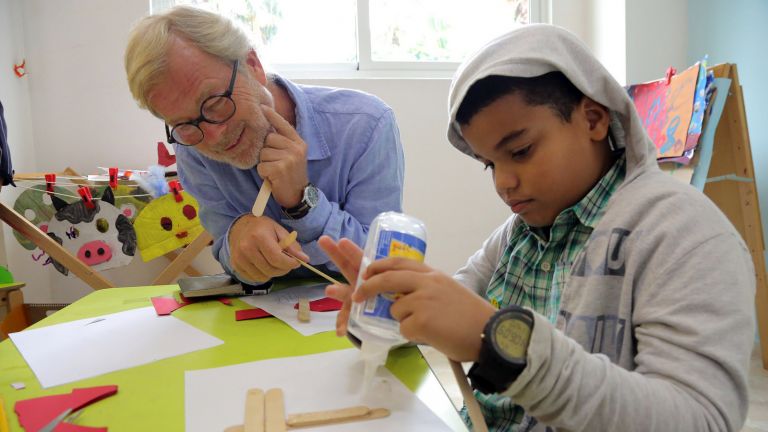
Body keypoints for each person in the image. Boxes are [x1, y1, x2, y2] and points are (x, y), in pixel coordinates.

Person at [319, 24, 755, 431]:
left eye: (521, 150)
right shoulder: (517, 234)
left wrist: (501, 343)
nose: (503, 182)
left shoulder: (686, 234)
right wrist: (385, 313)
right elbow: (451, 308)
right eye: (489, 163)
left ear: (593, 118)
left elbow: (702, 418)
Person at [124, 6, 404, 284]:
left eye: (216, 103)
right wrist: (237, 240)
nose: (213, 136)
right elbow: (225, 250)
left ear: (253, 66)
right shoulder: (191, 145)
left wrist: (301, 202)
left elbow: (381, 265)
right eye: (184, 124)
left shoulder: (364, 125)